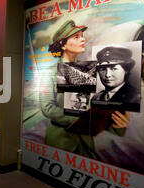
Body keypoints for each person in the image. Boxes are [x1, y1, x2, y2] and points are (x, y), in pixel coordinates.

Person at [39, 20, 130, 159]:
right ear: (63, 45)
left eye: (82, 35)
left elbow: (93, 108)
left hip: (86, 145)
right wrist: (78, 118)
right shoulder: (49, 73)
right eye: (76, 37)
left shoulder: (87, 71)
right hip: (61, 143)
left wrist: (117, 124)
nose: (83, 39)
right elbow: (48, 108)